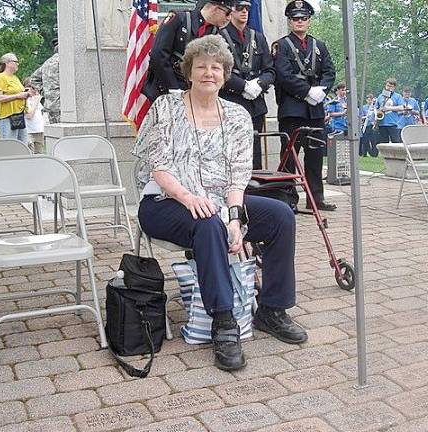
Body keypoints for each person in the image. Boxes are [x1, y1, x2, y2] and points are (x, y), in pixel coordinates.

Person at [134, 35, 307, 371]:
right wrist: (188, 197)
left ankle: (272, 309)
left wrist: (235, 218)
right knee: (207, 222)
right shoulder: (166, 108)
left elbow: (237, 175)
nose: (208, 73)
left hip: (218, 202)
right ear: (189, 71)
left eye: (216, 67)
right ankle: (224, 320)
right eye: (201, 66)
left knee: (280, 215)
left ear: (226, 74)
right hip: (165, 199)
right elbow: (160, 167)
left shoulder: (238, 116)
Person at [273, 0, 337, 211]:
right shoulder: (281, 46)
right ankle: (287, 200)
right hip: (293, 110)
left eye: (303, 18)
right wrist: (306, 91)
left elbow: (329, 71)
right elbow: (283, 75)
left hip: (315, 109)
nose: (299, 21)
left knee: (315, 157)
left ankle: (315, 199)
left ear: (309, 20)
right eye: (295, 18)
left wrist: (320, 91)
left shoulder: (320, 45)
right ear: (290, 21)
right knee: (290, 157)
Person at [219, 0, 275, 169]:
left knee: (255, 154)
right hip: (231, 102)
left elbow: (270, 70)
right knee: (232, 153)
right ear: (231, 10)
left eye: (247, 8)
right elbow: (218, 70)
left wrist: (259, 84)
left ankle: (255, 191)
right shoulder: (219, 36)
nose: (244, 11)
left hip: (255, 105)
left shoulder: (257, 37)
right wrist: (243, 86)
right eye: (239, 8)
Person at [142, 0, 234, 101]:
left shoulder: (216, 33)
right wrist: (173, 87)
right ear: (215, 9)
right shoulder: (179, 18)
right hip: (164, 88)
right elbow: (158, 54)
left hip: (193, 92)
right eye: (227, 13)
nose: (229, 18)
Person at [0, 52, 33, 143]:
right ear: (7, 63)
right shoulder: (0, 77)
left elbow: (17, 92)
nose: (18, 64)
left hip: (19, 116)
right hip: (7, 117)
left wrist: (26, 93)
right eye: (15, 61)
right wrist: (18, 96)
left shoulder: (15, 78)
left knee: (23, 145)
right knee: (10, 146)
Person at [31, 38, 60, 124]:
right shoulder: (66, 61)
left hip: (50, 104)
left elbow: (33, 79)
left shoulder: (47, 62)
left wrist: (45, 92)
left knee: (55, 133)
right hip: (63, 105)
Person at [374, 78, 404, 144]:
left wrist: (388, 108)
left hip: (393, 123)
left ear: (394, 87)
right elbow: (376, 108)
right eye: (387, 86)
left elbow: (402, 107)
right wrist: (377, 113)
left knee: (396, 143)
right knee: (384, 144)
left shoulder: (397, 96)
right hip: (382, 124)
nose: (388, 88)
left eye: (391, 86)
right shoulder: (381, 96)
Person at [24, 79, 47, 154]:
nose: (34, 90)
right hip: (29, 131)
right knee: (30, 153)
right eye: (32, 88)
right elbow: (29, 115)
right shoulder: (25, 100)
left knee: (39, 153)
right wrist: (36, 101)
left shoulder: (37, 99)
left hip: (39, 130)